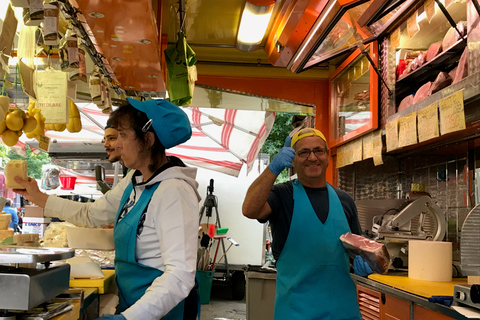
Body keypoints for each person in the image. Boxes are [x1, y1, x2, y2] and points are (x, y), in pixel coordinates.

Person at [14, 98, 201, 320]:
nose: (116, 144)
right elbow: (92, 214)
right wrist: (38, 197)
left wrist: (128, 318)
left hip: (163, 312)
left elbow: (179, 275)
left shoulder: (174, 191)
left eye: (122, 135)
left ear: (148, 139)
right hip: (136, 305)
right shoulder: (135, 180)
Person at [242, 128, 371, 320]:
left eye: (318, 150)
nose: (312, 157)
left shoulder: (345, 200)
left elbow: (356, 249)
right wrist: (273, 169)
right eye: (303, 153)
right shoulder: (282, 195)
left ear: (327, 156)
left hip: (343, 312)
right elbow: (249, 209)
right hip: (296, 312)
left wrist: (365, 261)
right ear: (292, 160)